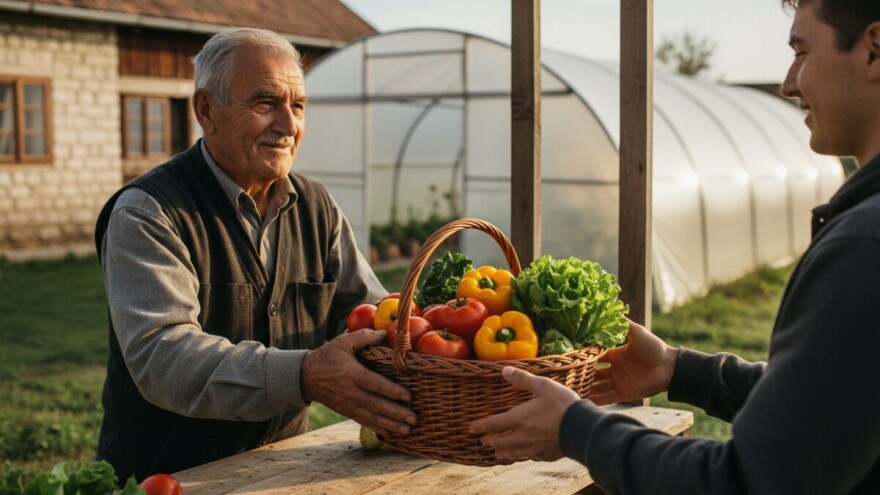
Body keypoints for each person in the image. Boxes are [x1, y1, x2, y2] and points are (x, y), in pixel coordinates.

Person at [471, 0, 880, 493]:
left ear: (875, 49)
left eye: (801, 52)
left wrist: (574, 428)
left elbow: (746, 482)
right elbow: (828, 410)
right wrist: (678, 370)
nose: (789, 82)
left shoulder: (865, 246)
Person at [94, 28, 416, 482]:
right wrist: (304, 374)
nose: (288, 125)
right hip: (171, 477)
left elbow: (366, 314)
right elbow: (162, 357)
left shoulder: (315, 205)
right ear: (207, 110)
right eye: (266, 103)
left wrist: (431, 341)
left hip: (285, 468)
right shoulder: (148, 211)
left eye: (298, 106)